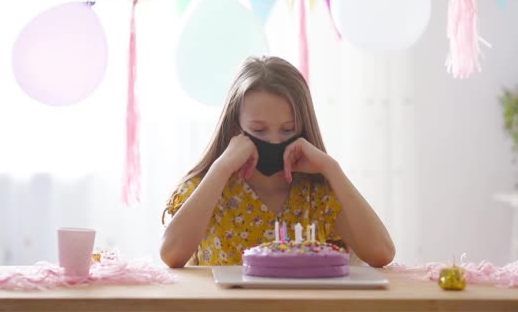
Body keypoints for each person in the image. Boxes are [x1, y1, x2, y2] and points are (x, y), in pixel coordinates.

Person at [161, 56, 394, 268]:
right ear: (234, 127)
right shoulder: (207, 188)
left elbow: (381, 253)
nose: (274, 140)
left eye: (287, 130)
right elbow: (171, 254)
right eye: (259, 130)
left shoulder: (318, 196)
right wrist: (221, 167)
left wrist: (331, 168)